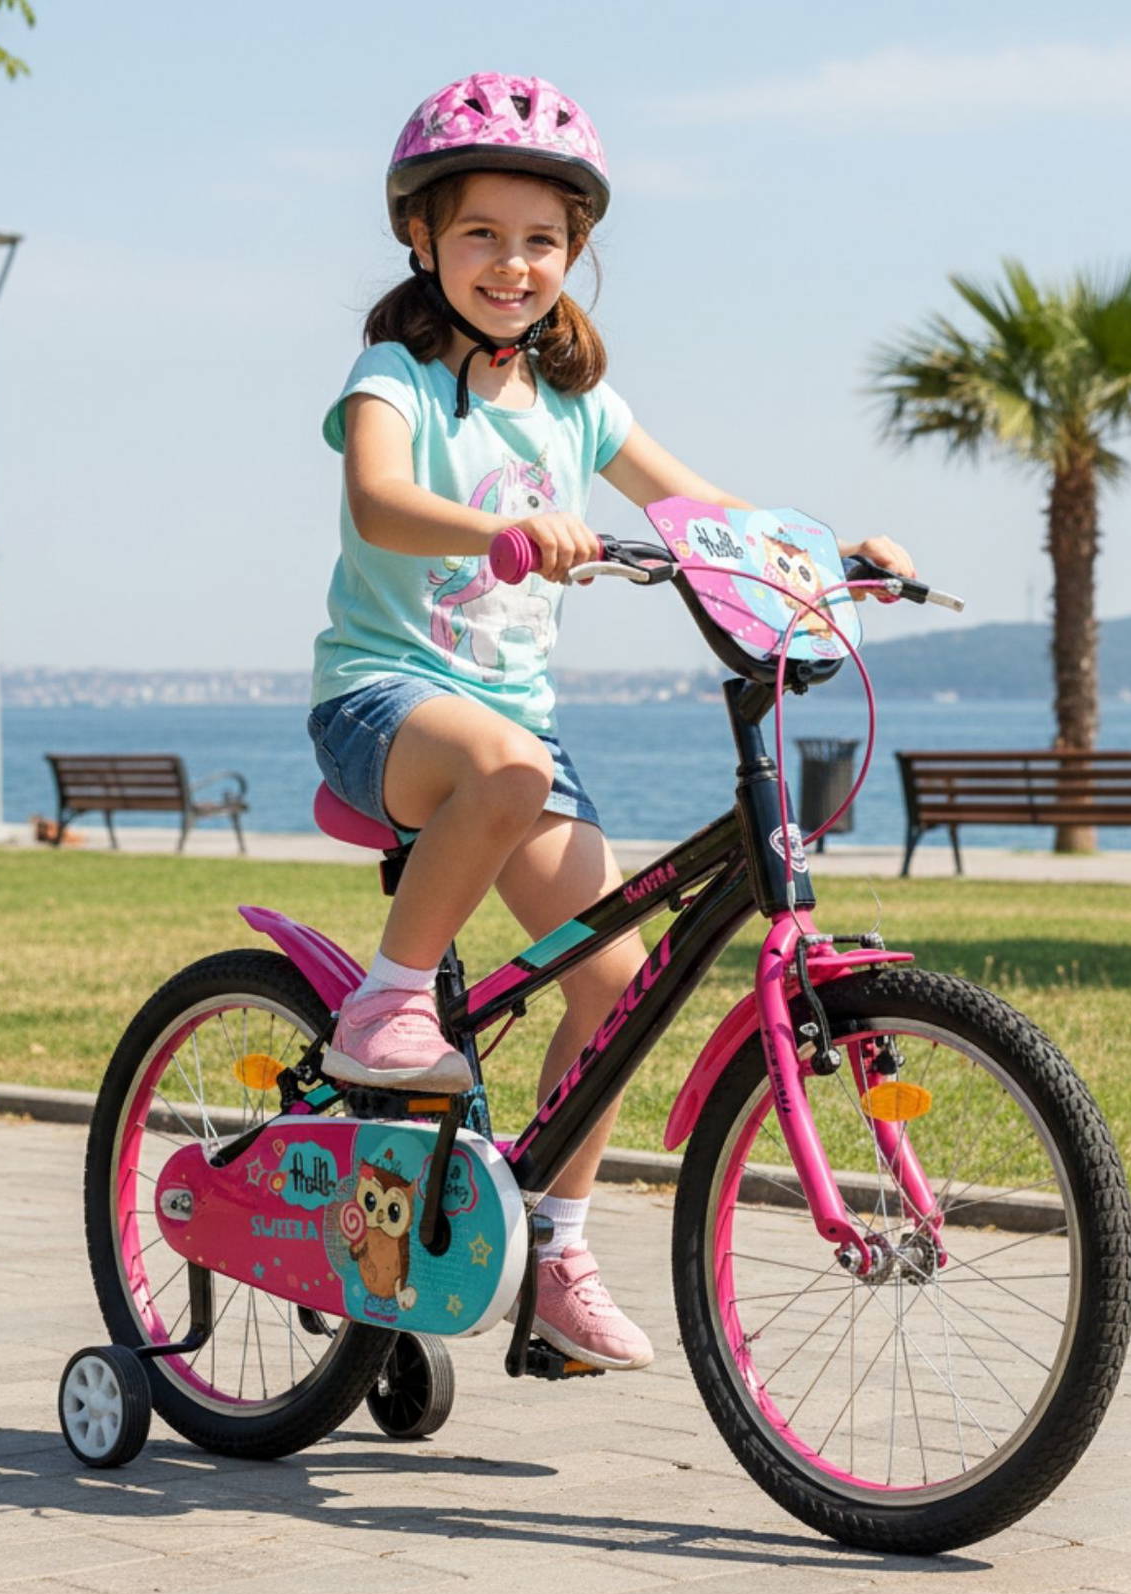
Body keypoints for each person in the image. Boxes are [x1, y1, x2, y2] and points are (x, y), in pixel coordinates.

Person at [308, 72, 913, 1370]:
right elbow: (377, 503)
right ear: (422, 236)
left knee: (613, 982)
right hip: (384, 703)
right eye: (482, 233)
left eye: (542, 239)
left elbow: (706, 513)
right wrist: (506, 529)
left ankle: (556, 1249)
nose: (512, 263)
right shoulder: (394, 376)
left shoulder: (582, 405)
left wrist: (832, 558)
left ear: (575, 252)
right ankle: (386, 1002)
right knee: (507, 764)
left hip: (513, 742)